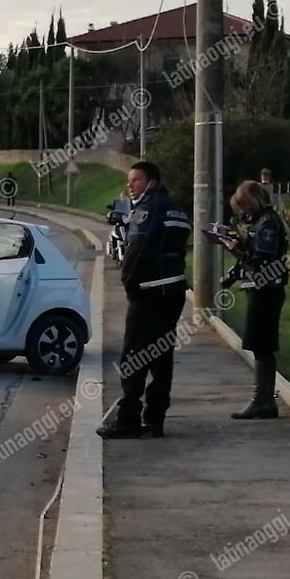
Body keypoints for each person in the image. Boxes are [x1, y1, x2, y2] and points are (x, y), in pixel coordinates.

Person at [97, 161, 191, 439]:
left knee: (134, 355)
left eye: (136, 180)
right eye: (130, 180)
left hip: (149, 291)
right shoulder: (176, 208)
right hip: (174, 291)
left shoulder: (147, 209)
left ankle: (127, 419)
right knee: (162, 354)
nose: (131, 185)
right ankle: (155, 418)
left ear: (151, 182)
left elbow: (137, 249)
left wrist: (127, 282)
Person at [217, 180, 289, 419]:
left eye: (241, 207)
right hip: (262, 289)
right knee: (260, 345)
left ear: (250, 203)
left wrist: (232, 247)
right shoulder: (261, 221)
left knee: (262, 345)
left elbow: (261, 260)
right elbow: (253, 254)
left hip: (267, 290)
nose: (241, 213)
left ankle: (263, 400)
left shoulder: (267, 222)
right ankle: (264, 400)